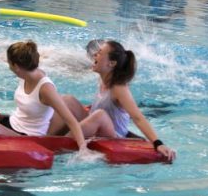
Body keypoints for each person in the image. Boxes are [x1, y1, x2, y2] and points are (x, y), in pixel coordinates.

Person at [0, 40, 89, 152]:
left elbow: (71, 121)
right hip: (11, 124)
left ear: (15, 66)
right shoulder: (24, 72)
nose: (7, 65)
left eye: (9, 63)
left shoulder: (45, 88)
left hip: (27, 136)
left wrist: (83, 149)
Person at [48, 40, 176, 162]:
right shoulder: (103, 80)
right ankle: (46, 138)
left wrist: (158, 143)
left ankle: (57, 148)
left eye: (99, 53)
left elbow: (138, 117)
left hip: (115, 136)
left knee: (100, 115)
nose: (94, 55)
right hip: (98, 127)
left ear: (111, 63)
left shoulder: (119, 88)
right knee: (67, 100)